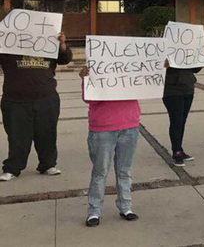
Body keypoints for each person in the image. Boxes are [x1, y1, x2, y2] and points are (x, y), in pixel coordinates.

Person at [0, 31, 71, 182]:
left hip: (46, 98)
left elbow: (65, 59)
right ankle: (12, 168)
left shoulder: (48, 41)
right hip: (15, 100)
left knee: (47, 133)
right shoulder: (8, 44)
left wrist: (62, 44)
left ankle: (48, 164)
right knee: (17, 136)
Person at [79, 66, 141, 227]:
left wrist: (157, 70)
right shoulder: (95, 69)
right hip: (103, 128)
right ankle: (94, 211)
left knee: (124, 170)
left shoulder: (133, 69)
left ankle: (126, 206)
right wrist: (87, 79)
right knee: (100, 171)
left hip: (129, 125)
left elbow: (146, 88)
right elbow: (90, 99)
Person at [162, 49, 204, 167]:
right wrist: (163, 64)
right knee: (176, 120)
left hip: (188, 88)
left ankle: (179, 149)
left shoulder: (189, 47)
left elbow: (195, 69)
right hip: (171, 89)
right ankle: (176, 151)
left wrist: (201, 56)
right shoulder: (166, 46)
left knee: (182, 120)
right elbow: (155, 66)